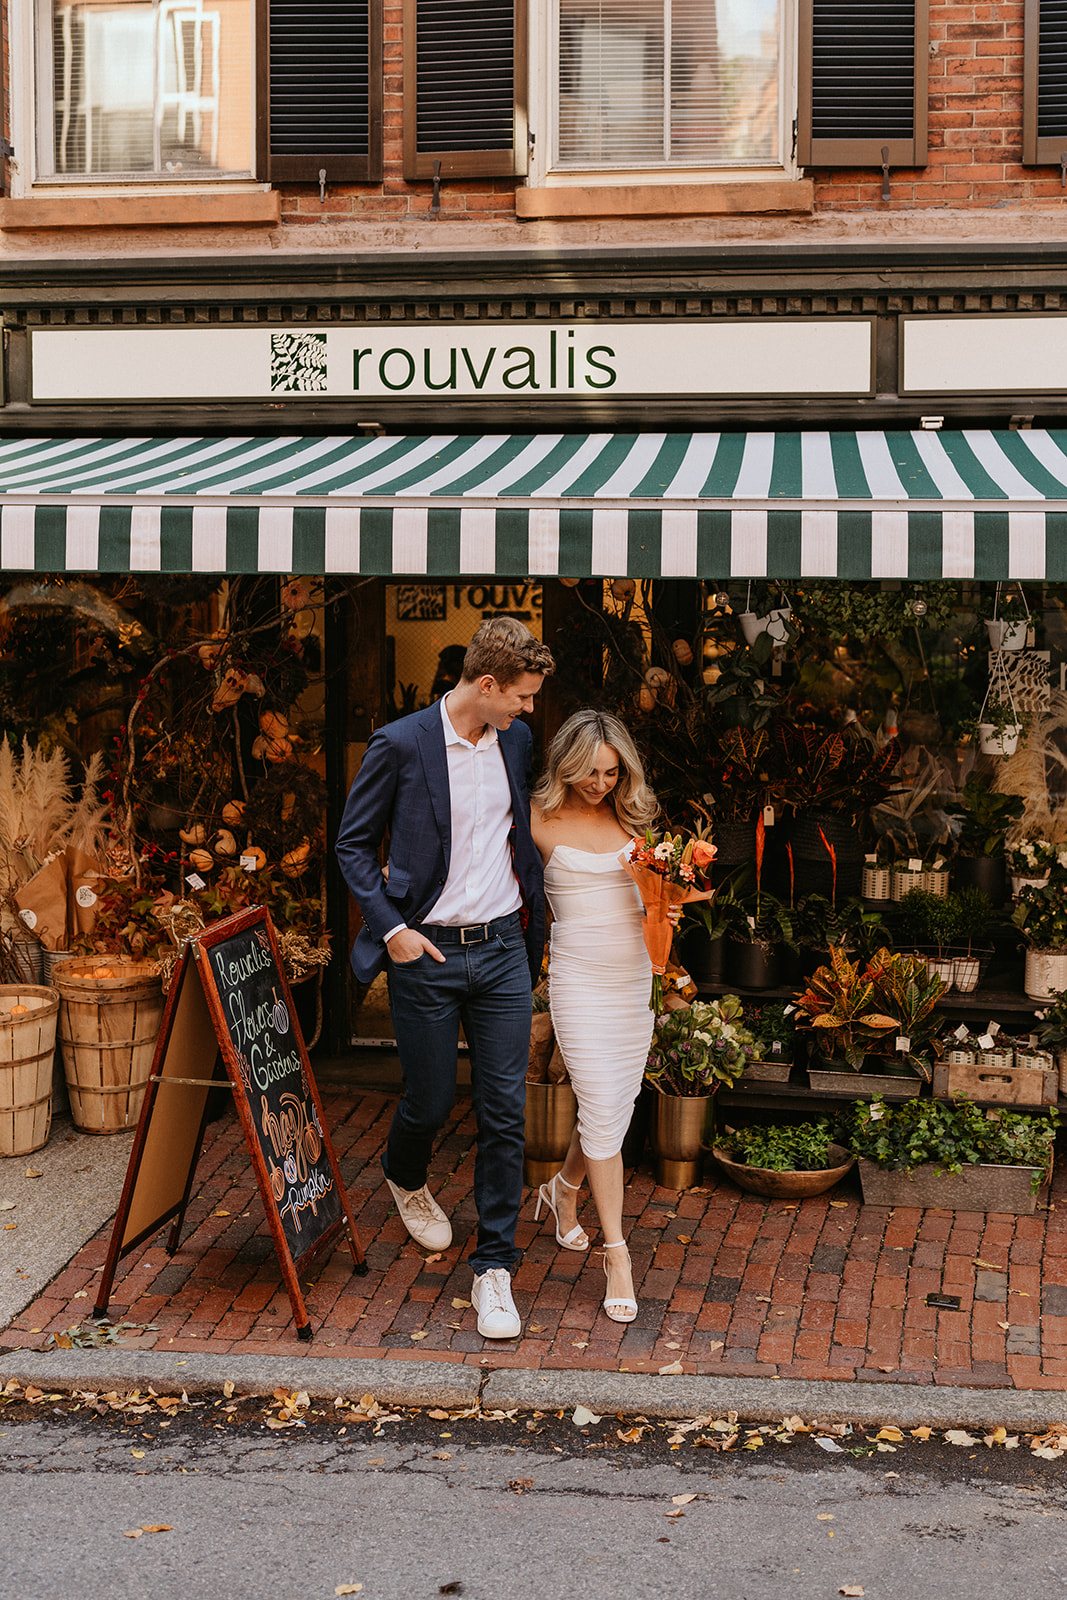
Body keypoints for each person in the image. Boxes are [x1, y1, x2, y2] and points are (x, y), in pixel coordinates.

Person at [335, 617, 554, 1340]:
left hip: (498, 952)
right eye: (521, 697)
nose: (529, 712)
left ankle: (493, 1267)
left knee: (502, 1114)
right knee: (427, 1103)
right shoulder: (401, 744)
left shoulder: (514, 742)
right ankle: (405, 1176)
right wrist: (392, 930)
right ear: (486, 685)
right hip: (424, 953)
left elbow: (517, 836)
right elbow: (352, 845)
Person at [529, 708, 662, 1324]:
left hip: (633, 978)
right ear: (566, 765)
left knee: (612, 1106)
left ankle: (564, 1190)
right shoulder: (536, 817)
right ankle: (617, 1253)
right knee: (602, 1104)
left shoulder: (637, 822)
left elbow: (657, 906)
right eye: (590, 773)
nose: (601, 784)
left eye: (612, 773)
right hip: (578, 978)